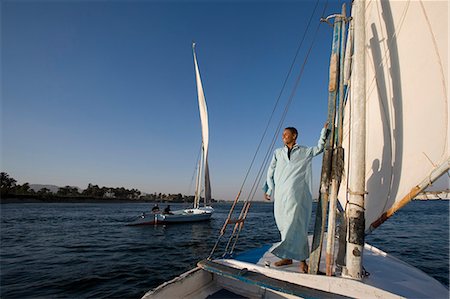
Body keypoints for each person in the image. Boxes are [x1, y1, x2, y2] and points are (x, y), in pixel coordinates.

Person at [263, 123, 327, 273]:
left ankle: (303, 261)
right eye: (283, 134)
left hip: (297, 195)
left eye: (286, 134)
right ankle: (287, 257)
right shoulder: (278, 153)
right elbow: (270, 170)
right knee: (284, 226)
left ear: (294, 136)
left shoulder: (304, 151)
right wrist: (269, 189)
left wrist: (323, 132)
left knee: (297, 225)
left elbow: (319, 148)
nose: (283, 136)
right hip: (280, 196)